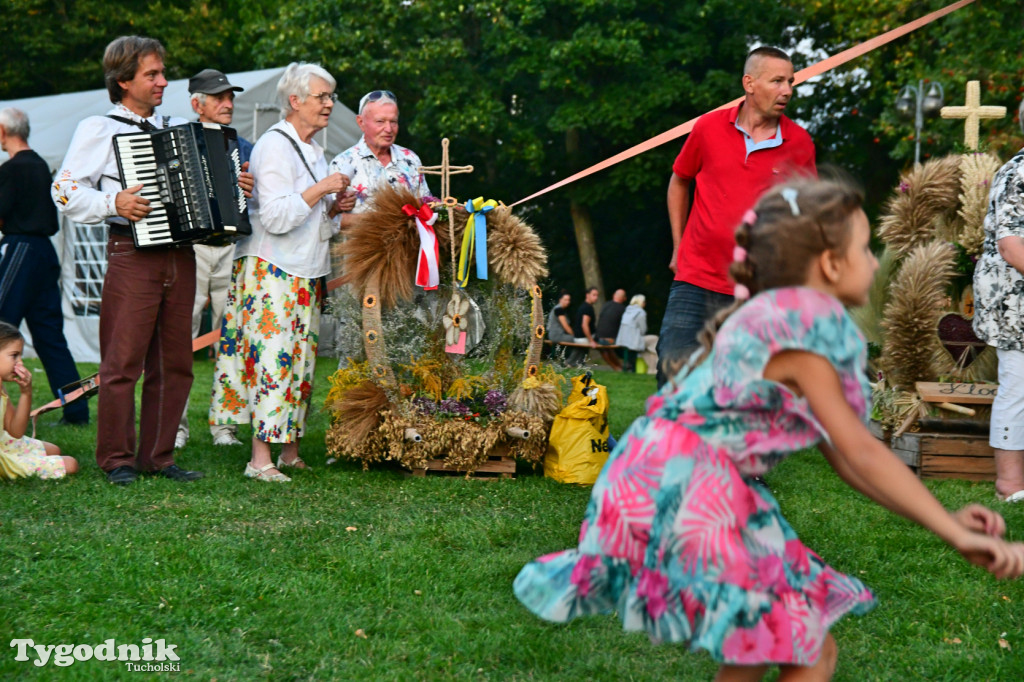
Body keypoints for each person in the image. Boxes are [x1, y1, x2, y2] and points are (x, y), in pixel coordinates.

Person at [515, 180, 1024, 681]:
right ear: (829, 263)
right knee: (808, 651)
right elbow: (861, 455)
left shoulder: (772, 316)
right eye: (865, 249)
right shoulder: (808, 326)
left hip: (659, 478)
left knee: (764, 645)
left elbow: (848, 457)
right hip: (690, 487)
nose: (873, 261)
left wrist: (946, 519)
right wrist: (953, 532)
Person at [52, 35, 244, 485]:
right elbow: (62, 190)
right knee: (122, 362)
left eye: (162, 72)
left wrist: (235, 189)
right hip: (131, 252)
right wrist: (111, 202)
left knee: (174, 360)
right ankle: (118, 458)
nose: (163, 81)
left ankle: (158, 456)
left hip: (182, 253)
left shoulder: (179, 125)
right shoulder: (99, 129)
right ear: (123, 81)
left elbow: (214, 186)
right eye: (152, 74)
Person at [210, 62, 352, 483]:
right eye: (322, 96)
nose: (330, 104)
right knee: (273, 362)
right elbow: (273, 217)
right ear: (295, 101)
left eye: (331, 96)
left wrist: (332, 209)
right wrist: (321, 190)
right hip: (270, 269)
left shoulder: (315, 150)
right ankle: (259, 459)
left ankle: (289, 451)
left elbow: (316, 223)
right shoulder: (273, 145)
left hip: (306, 271)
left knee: (301, 364)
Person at [658, 46, 817, 388]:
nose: (787, 90)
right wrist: (677, 245)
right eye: (777, 81)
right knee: (672, 373)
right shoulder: (708, 128)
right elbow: (679, 180)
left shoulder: (800, 144)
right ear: (749, 83)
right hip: (696, 278)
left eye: (790, 81)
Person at [175, 68, 254, 450]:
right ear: (197, 104)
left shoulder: (245, 146)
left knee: (233, 340)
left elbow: (261, 200)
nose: (227, 104)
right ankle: (175, 427)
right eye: (219, 98)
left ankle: (226, 426)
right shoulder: (179, 141)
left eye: (230, 97)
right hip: (190, 250)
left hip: (232, 250)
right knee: (179, 339)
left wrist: (251, 192)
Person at [0, 108, 90, 426]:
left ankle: (4, 414)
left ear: (3, 131)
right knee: (50, 334)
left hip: (20, 248)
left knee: (0, 325)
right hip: (44, 253)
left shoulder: (11, 169)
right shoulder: (40, 165)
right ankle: (76, 410)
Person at [972, 142, 1024, 504]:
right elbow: (1011, 246)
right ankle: (1011, 485)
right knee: (1019, 385)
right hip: (1014, 299)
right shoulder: (1018, 173)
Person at [328, 89, 432, 223]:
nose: (388, 129)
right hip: (362, 244)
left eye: (393, 122)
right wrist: (380, 222)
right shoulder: (341, 163)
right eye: (380, 122)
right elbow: (328, 219)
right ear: (361, 122)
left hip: (409, 244)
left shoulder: (410, 159)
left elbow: (426, 205)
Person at [0, 322, 78, 480]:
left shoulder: (1, 387)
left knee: (54, 449)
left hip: (4, 443)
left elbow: (15, 431)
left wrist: (26, 393)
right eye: (14, 355)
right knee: (71, 464)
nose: (20, 363)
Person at [594, 288, 627, 371]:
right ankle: (620, 367)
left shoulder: (605, 305)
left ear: (613, 296)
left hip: (598, 338)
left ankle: (616, 367)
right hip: (611, 339)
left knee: (605, 348)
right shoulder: (623, 309)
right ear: (624, 298)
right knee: (610, 347)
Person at [615, 293, 648, 373]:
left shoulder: (627, 310)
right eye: (644, 302)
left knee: (629, 352)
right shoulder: (641, 312)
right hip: (634, 340)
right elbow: (643, 329)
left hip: (623, 339)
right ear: (641, 302)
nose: (645, 304)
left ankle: (628, 367)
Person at [567, 286, 600, 366]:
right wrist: (591, 341)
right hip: (582, 338)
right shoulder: (587, 308)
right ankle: (572, 363)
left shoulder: (584, 306)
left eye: (597, 295)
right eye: (594, 295)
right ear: (587, 295)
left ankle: (577, 363)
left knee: (580, 351)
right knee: (604, 338)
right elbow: (584, 325)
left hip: (578, 336)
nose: (596, 297)